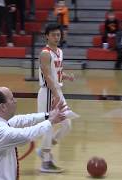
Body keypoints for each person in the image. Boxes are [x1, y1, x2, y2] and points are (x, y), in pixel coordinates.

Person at [0, 86, 67, 180]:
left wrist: (48, 115)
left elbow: (21, 120)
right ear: (2, 107)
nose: (15, 101)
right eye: (11, 99)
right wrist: (51, 121)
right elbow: (25, 135)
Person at [37, 23, 77, 173]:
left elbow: (57, 71)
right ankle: (46, 162)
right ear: (46, 36)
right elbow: (47, 76)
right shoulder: (45, 53)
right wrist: (55, 95)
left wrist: (66, 76)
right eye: (53, 34)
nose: (56, 37)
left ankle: (44, 150)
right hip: (48, 92)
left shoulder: (59, 51)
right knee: (49, 126)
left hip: (57, 91)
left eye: (58, 35)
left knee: (67, 125)